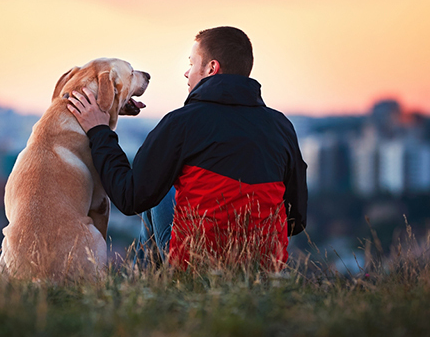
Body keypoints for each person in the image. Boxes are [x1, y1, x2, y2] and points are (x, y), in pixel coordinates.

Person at [67, 26, 307, 270]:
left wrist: (99, 131)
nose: (186, 72)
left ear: (211, 68)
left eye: (192, 63)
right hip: (264, 268)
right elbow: (296, 220)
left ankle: (145, 289)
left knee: (157, 193)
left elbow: (129, 198)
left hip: (197, 266)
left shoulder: (181, 123)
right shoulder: (281, 127)